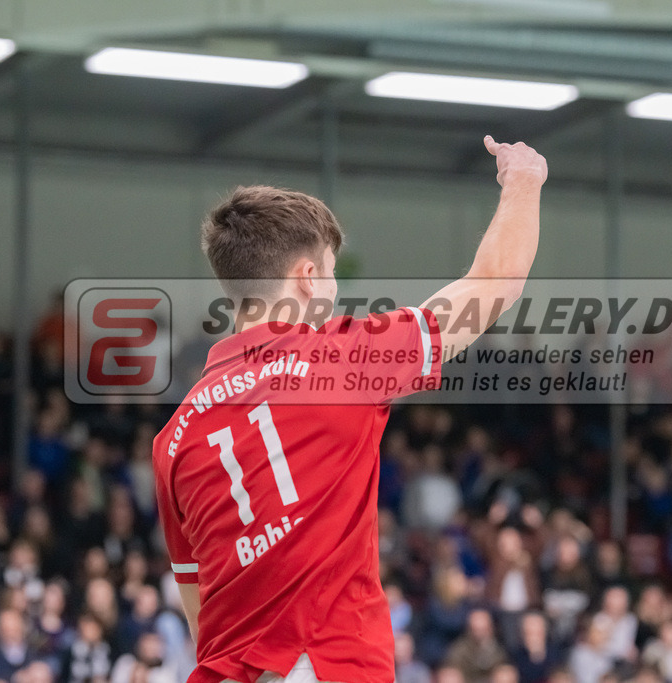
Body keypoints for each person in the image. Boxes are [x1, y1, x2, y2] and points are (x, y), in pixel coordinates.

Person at [152, 136, 547, 683]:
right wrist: (525, 180)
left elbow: (199, 607)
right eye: (332, 273)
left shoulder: (174, 438)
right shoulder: (341, 361)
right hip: (329, 665)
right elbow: (492, 285)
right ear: (308, 277)